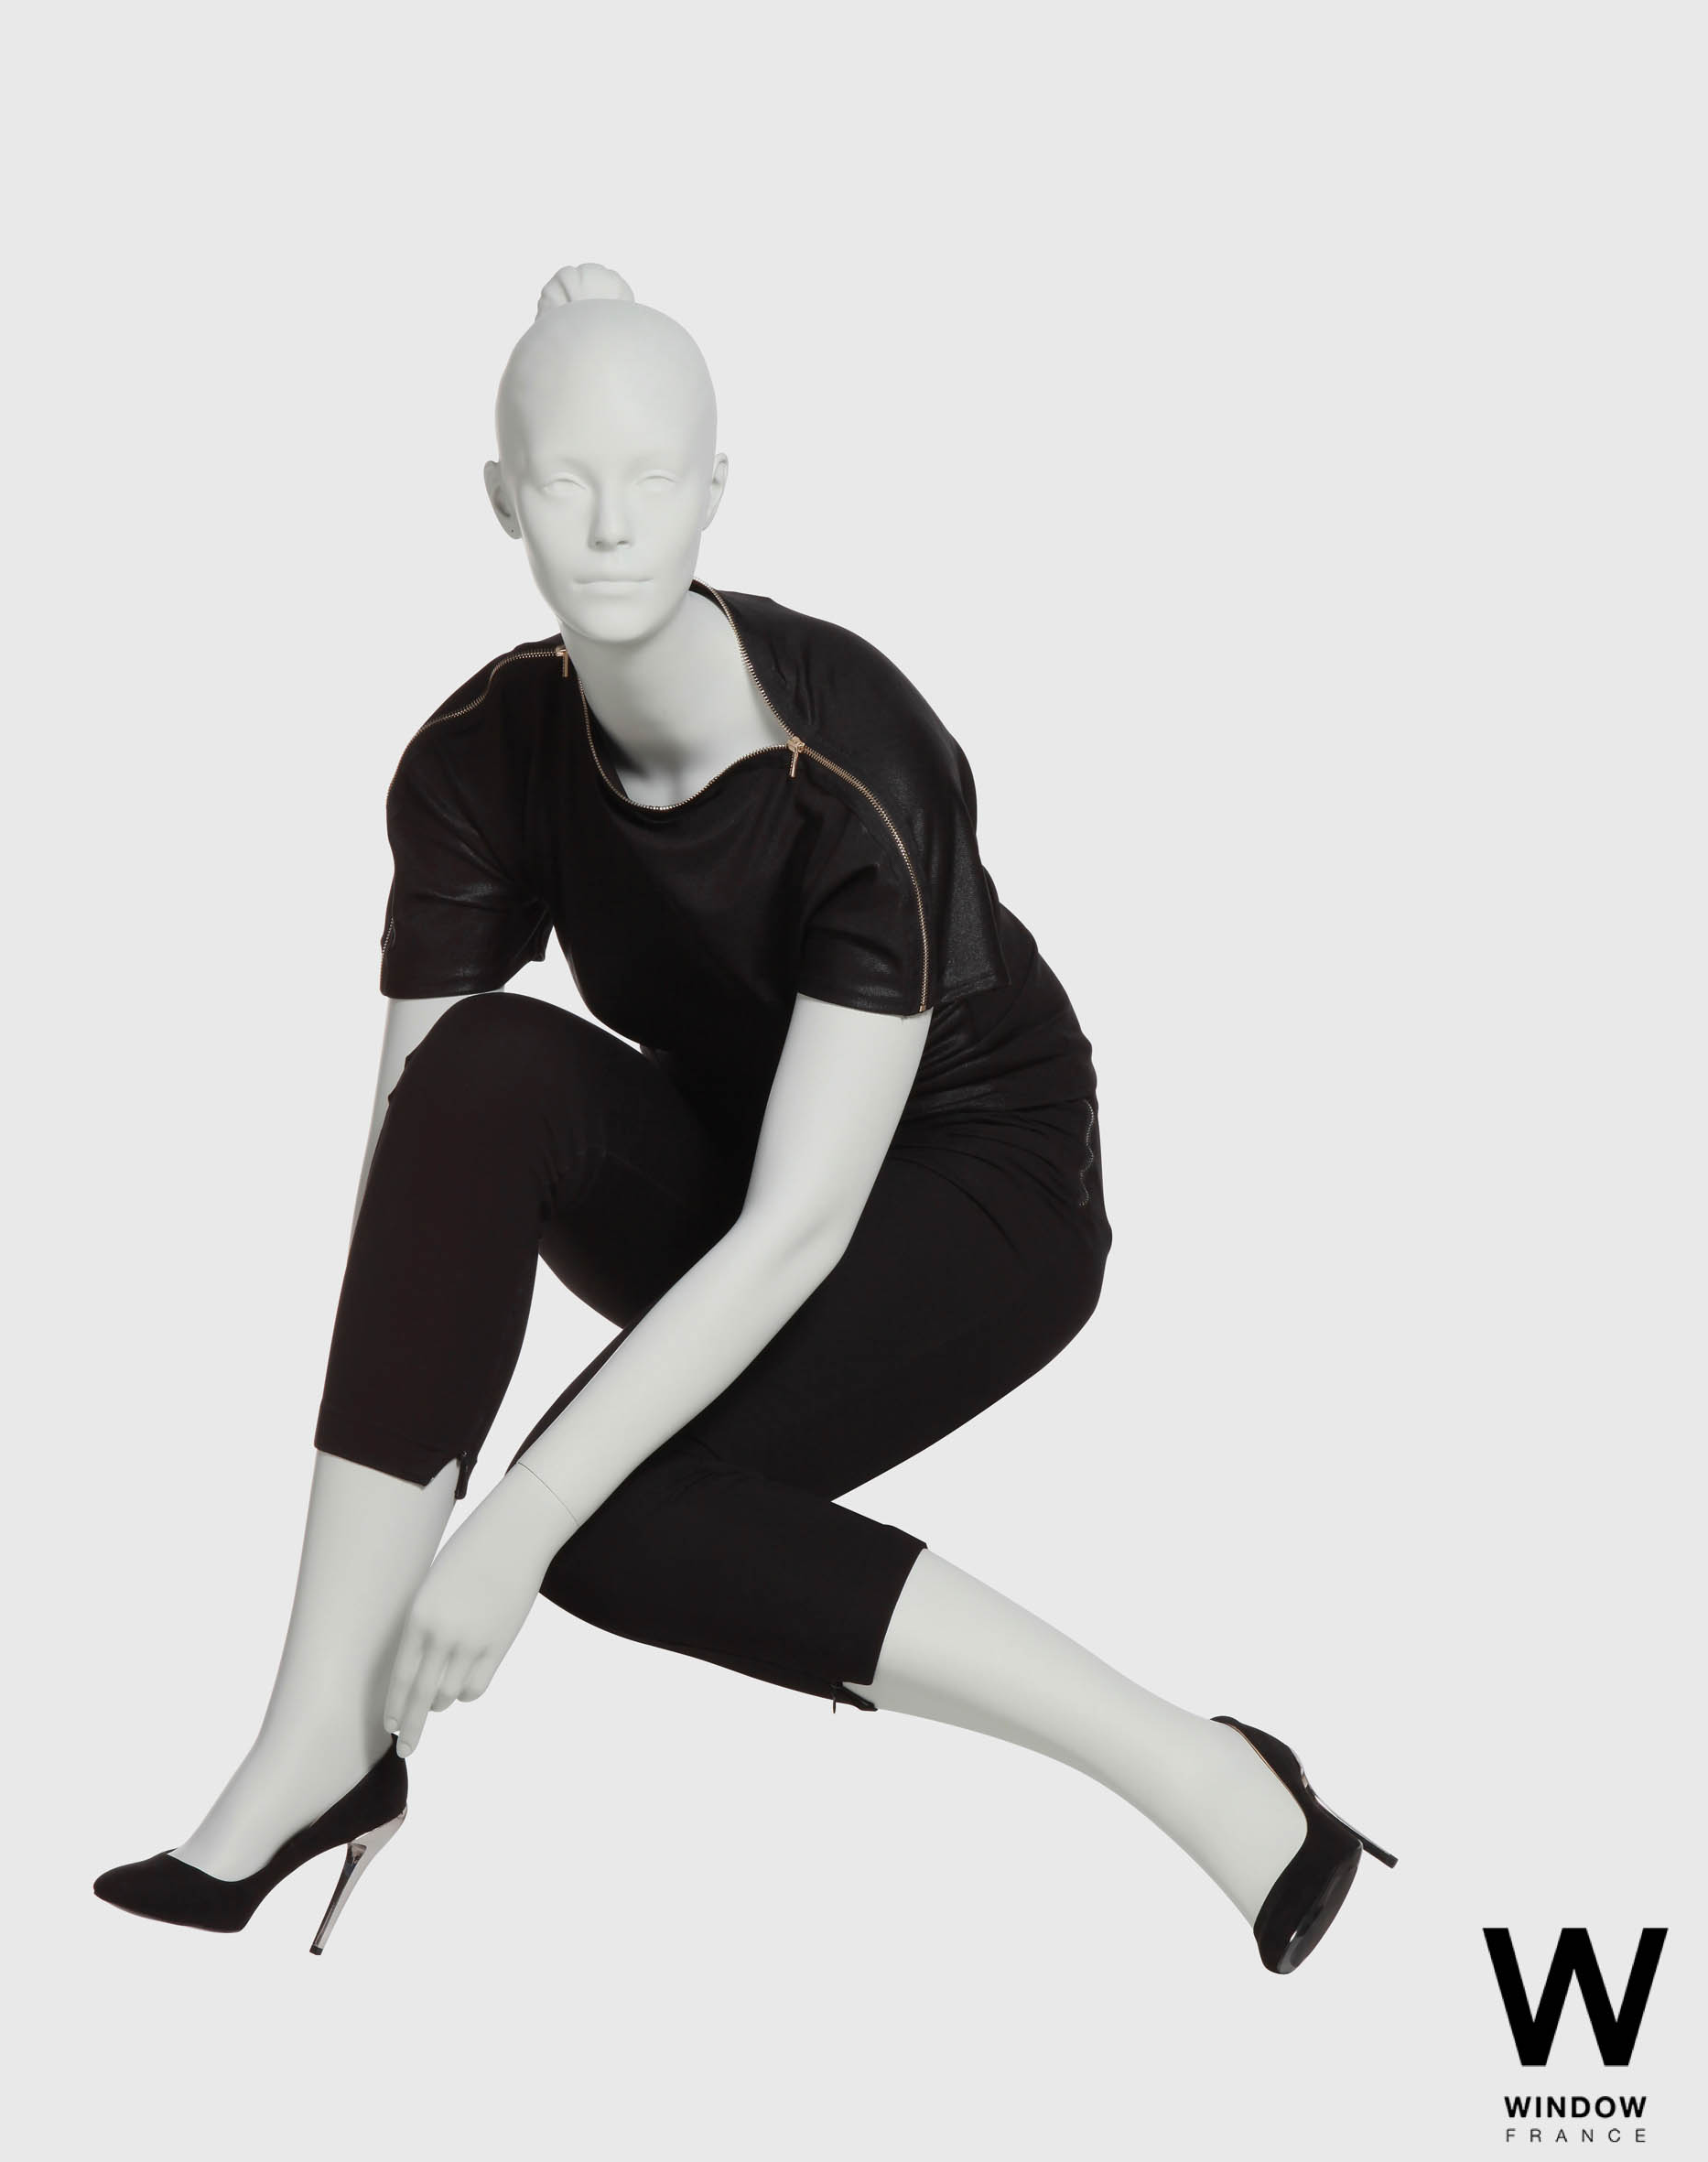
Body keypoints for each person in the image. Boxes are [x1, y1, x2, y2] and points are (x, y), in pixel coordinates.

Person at [94, 263, 1395, 1972]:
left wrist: (511, 1526)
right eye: (566, 479)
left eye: (654, 478)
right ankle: (318, 1747)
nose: (610, 524)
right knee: (470, 1073)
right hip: (743, 1157)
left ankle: (1208, 1777)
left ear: (719, 489)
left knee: (611, 1518)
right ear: (499, 497)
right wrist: (392, 1571)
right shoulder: (480, 756)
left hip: (974, 1182)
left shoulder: (858, 761)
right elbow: (414, 1171)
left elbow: (800, 1227)